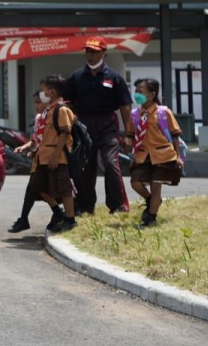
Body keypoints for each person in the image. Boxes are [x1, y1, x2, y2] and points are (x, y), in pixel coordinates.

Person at [63, 37, 132, 214]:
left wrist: (129, 134)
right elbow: (68, 104)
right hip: (83, 125)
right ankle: (85, 206)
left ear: (104, 53)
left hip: (107, 125)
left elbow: (125, 106)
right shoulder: (77, 77)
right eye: (87, 51)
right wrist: (69, 128)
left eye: (94, 51)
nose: (90, 54)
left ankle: (117, 206)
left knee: (110, 163)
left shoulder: (114, 77)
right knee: (85, 167)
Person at [129, 78, 184, 227]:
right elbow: (130, 134)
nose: (137, 94)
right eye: (136, 91)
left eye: (140, 91)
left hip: (163, 155)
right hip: (142, 156)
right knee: (135, 182)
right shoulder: (134, 114)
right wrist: (127, 142)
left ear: (152, 94)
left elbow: (175, 134)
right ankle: (151, 200)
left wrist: (178, 156)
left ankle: (150, 218)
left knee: (156, 185)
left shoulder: (163, 112)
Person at [34, 75, 77, 233]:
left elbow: (65, 133)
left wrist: (55, 155)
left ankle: (70, 219)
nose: (42, 94)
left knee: (64, 188)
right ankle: (58, 212)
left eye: (44, 90)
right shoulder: (49, 110)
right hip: (44, 156)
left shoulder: (61, 109)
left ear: (52, 92)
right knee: (39, 186)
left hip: (57, 157)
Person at [8, 90, 50, 233]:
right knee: (32, 190)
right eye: (35, 103)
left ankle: (59, 214)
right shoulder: (39, 118)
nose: (36, 106)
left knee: (45, 190)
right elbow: (35, 139)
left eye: (39, 102)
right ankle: (24, 219)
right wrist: (24, 147)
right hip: (38, 159)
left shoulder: (52, 115)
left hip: (48, 158)